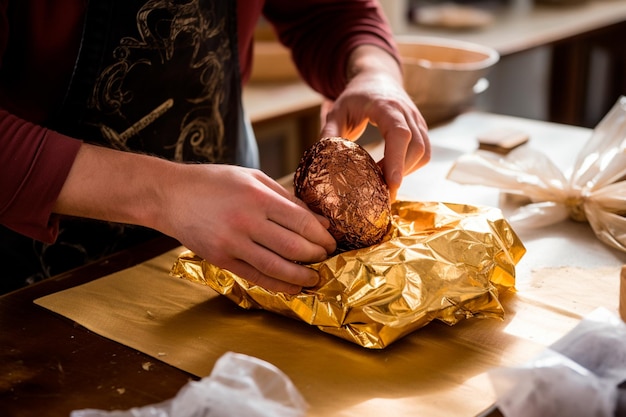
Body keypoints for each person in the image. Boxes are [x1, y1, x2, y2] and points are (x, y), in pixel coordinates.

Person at [0, 0, 431, 295]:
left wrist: (375, 72)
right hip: (27, 270)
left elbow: (331, 12)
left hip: (233, 233)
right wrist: (164, 193)